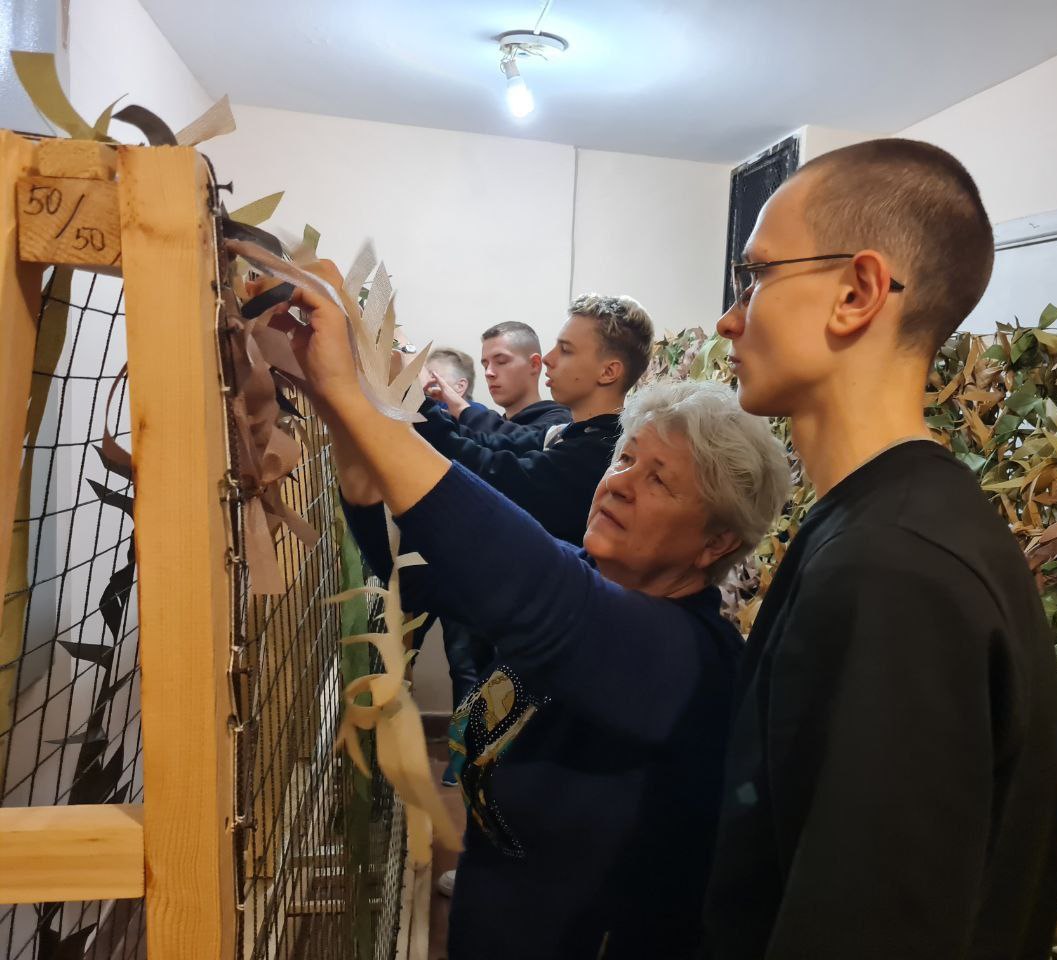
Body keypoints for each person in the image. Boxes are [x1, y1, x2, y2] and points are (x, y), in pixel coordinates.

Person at [283, 263, 791, 959]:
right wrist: (341, 412)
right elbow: (411, 568)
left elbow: (527, 578)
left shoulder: (683, 657)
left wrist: (356, 393)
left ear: (716, 542)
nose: (621, 485)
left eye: (660, 480)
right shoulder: (592, 578)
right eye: (625, 460)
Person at [702, 139, 1057, 959]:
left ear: (857, 292)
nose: (731, 318)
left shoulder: (893, 570)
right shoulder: (893, 525)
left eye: (756, 277)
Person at [415, 294, 653, 546]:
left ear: (608, 372)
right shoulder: (566, 433)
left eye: (566, 350)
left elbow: (496, 473)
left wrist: (413, 398)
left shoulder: (601, 451)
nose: (548, 358)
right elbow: (491, 443)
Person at [434, 320, 572, 437]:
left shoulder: (559, 423)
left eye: (501, 362)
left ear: (534, 364)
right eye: (485, 365)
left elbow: (515, 442)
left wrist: (463, 410)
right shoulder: (494, 426)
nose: (488, 373)